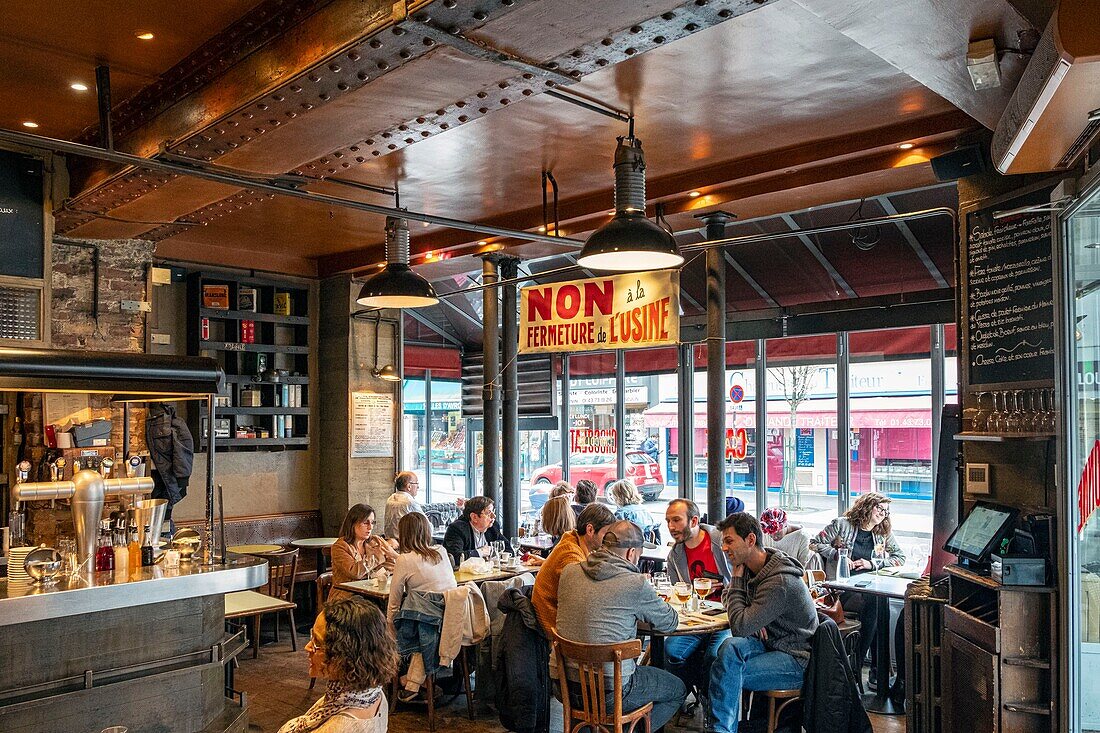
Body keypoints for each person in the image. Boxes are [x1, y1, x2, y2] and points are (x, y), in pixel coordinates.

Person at [555, 521, 686, 730]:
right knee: (677, 689)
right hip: (611, 691)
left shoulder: (569, 572)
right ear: (631, 552)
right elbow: (670, 622)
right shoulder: (635, 583)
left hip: (564, 685)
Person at [708, 512, 819, 733]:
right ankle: (724, 728)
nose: (724, 548)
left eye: (729, 541)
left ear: (750, 539)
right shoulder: (753, 567)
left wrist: (745, 602)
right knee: (729, 648)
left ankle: (721, 730)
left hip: (795, 658)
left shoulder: (779, 581)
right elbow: (729, 601)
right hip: (769, 646)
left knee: (723, 669)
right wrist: (755, 617)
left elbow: (739, 626)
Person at [810, 492, 905, 689]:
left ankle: (858, 668)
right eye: (880, 508)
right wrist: (839, 556)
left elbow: (900, 557)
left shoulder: (882, 533)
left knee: (878, 604)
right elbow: (815, 543)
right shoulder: (841, 525)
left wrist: (871, 563)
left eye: (886, 511)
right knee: (877, 605)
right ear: (867, 506)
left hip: (867, 588)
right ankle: (871, 670)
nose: (883, 514)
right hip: (841, 589)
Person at [279, 597, 397, 733]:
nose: (307, 647)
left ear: (344, 656)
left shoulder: (339, 727)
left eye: (317, 642)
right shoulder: (375, 695)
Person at [664, 499, 732, 694]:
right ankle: (680, 697)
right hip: (697, 620)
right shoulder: (675, 554)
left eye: (676, 520)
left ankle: (709, 705)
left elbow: (742, 578)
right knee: (670, 652)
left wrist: (724, 587)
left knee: (715, 655)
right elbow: (677, 592)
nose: (671, 526)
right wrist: (695, 591)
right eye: (668, 520)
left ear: (694, 521)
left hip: (726, 619)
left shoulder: (722, 542)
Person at [387, 512, 457, 700]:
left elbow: (393, 600)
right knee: (419, 621)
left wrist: (390, 630)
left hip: (428, 625)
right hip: (452, 621)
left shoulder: (405, 559)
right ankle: (414, 682)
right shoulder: (441, 551)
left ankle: (402, 682)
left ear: (403, 534)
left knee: (405, 621)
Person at [531, 502, 615, 634]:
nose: (609, 540)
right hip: (553, 626)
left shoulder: (573, 542)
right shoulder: (571, 555)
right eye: (606, 534)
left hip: (557, 618)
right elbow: (586, 595)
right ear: (590, 530)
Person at [327, 504, 398, 604]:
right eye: (366, 523)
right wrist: (381, 554)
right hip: (346, 598)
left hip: (372, 594)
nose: (370, 527)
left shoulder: (374, 541)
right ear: (352, 523)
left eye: (373, 523)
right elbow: (355, 572)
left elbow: (392, 566)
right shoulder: (340, 546)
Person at [442, 495, 506, 566]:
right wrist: (481, 552)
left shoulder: (493, 527)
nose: (494, 516)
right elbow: (455, 558)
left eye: (493, 512)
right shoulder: (457, 529)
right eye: (488, 513)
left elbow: (509, 550)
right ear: (474, 517)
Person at [384, 471, 422, 543]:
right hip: (407, 544)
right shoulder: (410, 501)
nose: (418, 487)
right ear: (409, 486)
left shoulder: (390, 499)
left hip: (390, 542)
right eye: (416, 483)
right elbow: (426, 526)